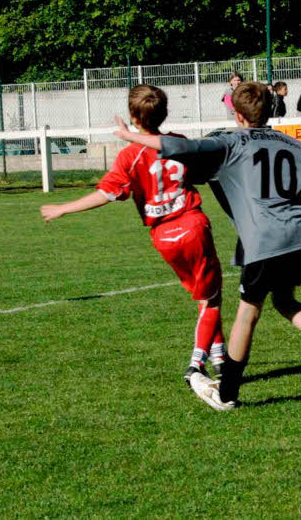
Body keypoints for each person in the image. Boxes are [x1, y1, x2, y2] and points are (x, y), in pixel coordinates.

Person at [115, 82, 301, 411]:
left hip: (265, 239)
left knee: (247, 314)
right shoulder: (296, 145)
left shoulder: (229, 142)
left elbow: (180, 148)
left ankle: (227, 395)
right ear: (271, 110)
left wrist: (129, 135)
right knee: (284, 300)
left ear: (236, 113)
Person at [40, 85, 227, 399]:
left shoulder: (129, 155)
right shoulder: (179, 143)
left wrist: (63, 208)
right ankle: (197, 365)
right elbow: (205, 169)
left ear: (132, 117)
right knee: (211, 300)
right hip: (192, 226)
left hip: (163, 238)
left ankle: (221, 359)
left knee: (203, 296)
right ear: (165, 113)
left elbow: (107, 193)